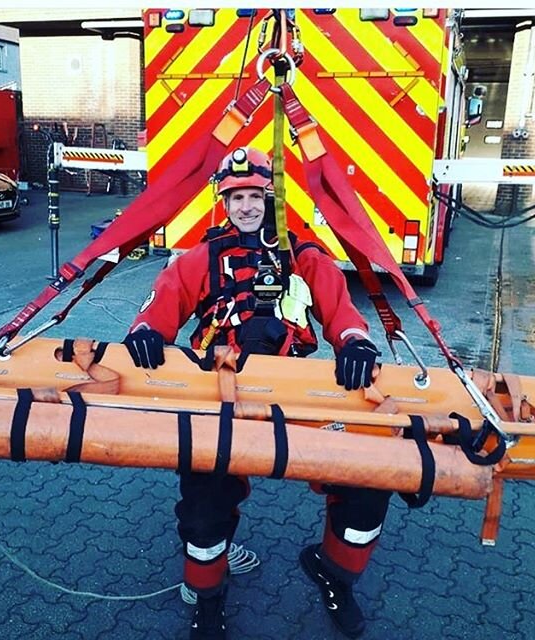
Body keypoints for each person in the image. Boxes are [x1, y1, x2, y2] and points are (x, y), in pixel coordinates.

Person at [123, 147, 390, 640]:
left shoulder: (304, 256)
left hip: (294, 394)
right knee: (203, 505)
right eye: (235, 197)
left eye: (253, 196)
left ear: (271, 196)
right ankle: (208, 596)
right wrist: (145, 330)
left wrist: (355, 341)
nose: (245, 206)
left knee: (369, 482)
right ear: (224, 203)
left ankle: (335, 575)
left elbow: (342, 312)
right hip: (222, 392)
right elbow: (163, 303)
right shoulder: (201, 258)